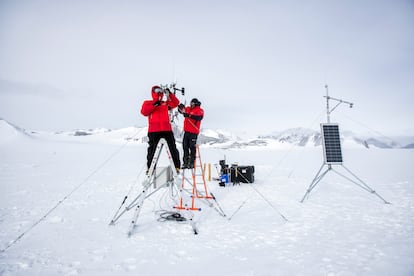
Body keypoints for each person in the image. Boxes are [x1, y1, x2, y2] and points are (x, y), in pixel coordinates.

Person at [141, 85, 181, 173]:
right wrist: (155, 104)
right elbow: (144, 111)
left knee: (172, 148)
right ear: (153, 92)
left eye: (160, 90)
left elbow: (176, 103)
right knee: (152, 149)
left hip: (166, 129)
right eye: (156, 90)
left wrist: (169, 94)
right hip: (154, 130)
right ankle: (150, 168)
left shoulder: (165, 104)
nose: (158, 92)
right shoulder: (148, 103)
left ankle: (176, 167)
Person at [178, 98, 204, 169]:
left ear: (195, 104)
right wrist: (180, 108)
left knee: (192, 147)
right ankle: (185, 162)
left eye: (192, 104)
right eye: (190, 103)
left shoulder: (199, 110)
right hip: (186, 131)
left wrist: (189, 115)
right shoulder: (188, 109)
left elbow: (199, 117)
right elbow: (182, 111)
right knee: (185, 146)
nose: (191, 105)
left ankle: (192, 163)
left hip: (194, 132)